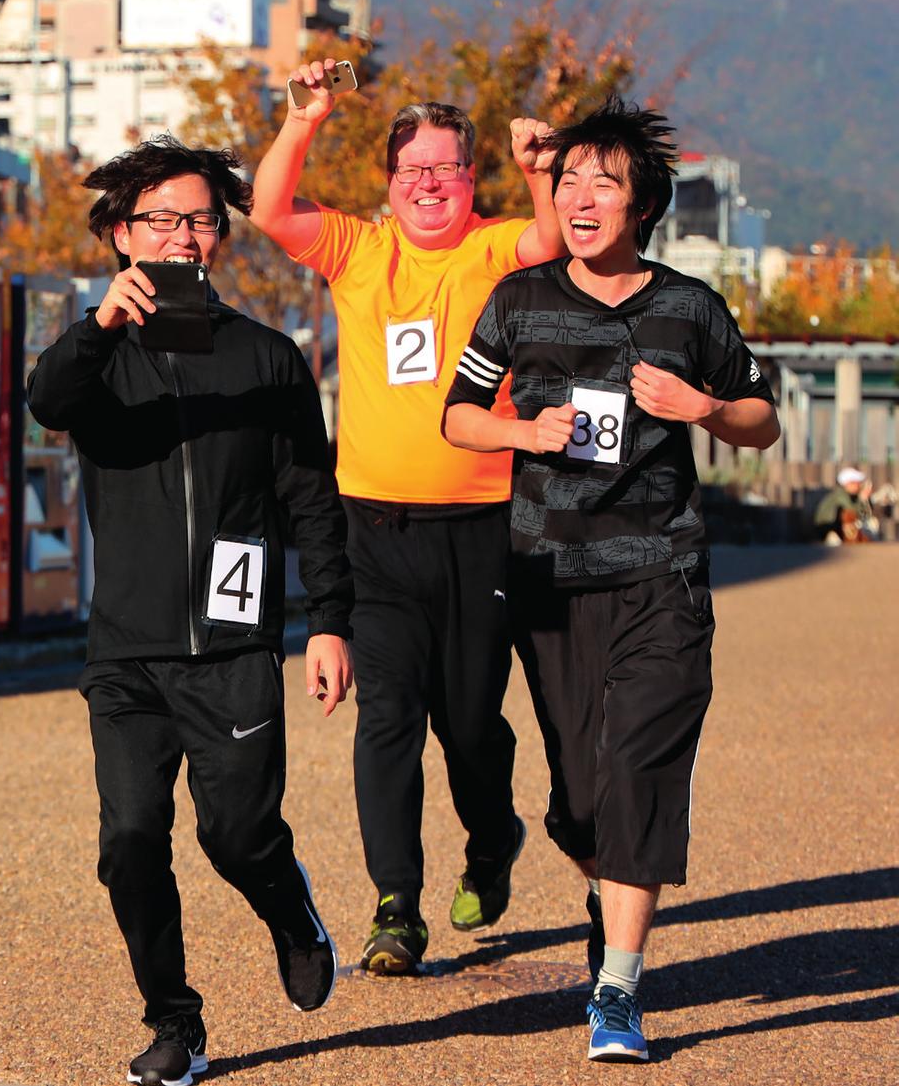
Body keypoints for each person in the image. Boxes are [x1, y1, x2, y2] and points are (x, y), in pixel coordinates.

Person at [443, 95, 780, 1062]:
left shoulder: (689, 307)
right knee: (579, 805)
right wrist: (522, 430)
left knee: (638, 772)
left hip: (661, 574)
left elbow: (762, 419)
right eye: (569, 179)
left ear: (643, 206)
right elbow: (458, 416)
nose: (581, 196)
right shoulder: (519, 300)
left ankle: (620, 993)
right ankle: (604, 891)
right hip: (547, 577)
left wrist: (704, 404)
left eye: (605, 182)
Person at [26, 134, 354, 1086]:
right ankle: (175, 1021)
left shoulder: (266, 357)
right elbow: (48, 399)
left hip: (234, 645)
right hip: (125, 651)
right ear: (122, 233)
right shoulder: (97, 357)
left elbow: (311, 498)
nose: (181, 235)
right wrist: (101, 324)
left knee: (237, 834)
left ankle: (290, 909)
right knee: (129, 839)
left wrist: (330, 616)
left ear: (220, 236)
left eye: (200, 218)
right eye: (160, 218)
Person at [250, 59, 565, 973]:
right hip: (374, 529)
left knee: (468, 721)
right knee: (386, 714)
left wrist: (541, 166)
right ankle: (396, 903)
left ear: (474, 181)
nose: (429, 185)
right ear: (390, 183)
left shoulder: (494, 245)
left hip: (482, 528)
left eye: (448, 169)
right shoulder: (358, 248)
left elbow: (550, 239)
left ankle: (492, 832)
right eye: (412, 170)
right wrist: (305, 117)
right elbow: (270, 209)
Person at [814, 467, 880, 543]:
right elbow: (852, 512)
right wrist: (862, 499)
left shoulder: (849, 495)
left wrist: (865, 500)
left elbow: (866, 516)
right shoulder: (839, 495)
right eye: (856, 482)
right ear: (848, 483)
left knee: (871, 523)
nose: (859, 485)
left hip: (839, 529)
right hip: (829, 531)